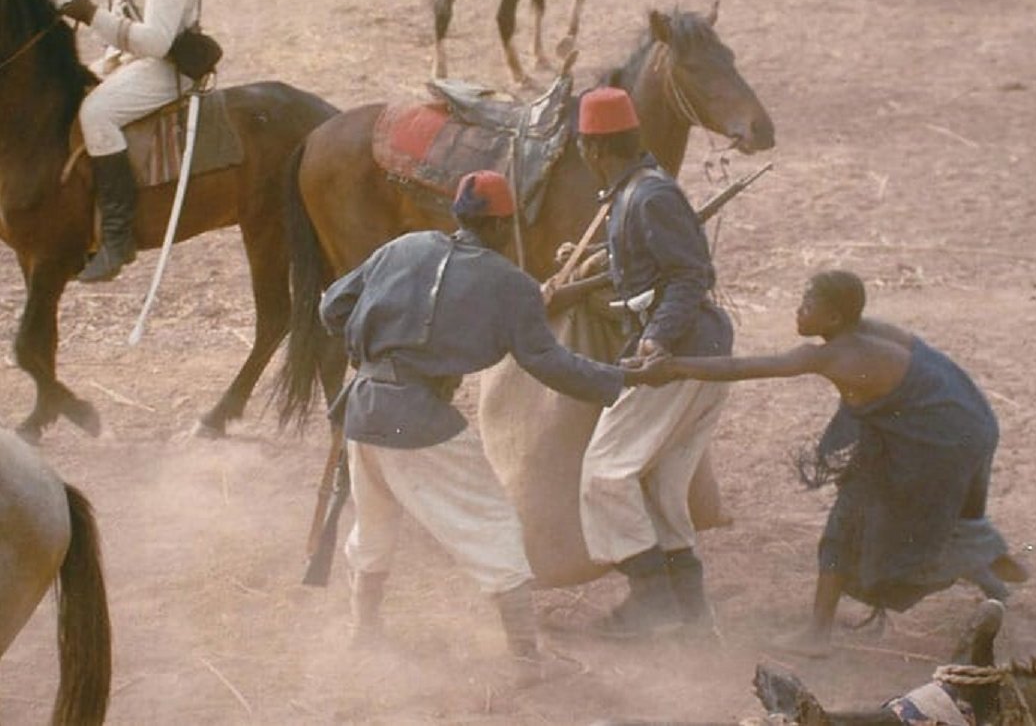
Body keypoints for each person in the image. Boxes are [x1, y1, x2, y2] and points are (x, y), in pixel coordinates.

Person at [317, 170, 669, 678]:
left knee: (373, 528)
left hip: (364, 408)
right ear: (505, 225)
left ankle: (362, 634)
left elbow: (333, 309)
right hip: (418, 418)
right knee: (496, 527)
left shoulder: (405, 247)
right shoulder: (512, 285)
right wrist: (622, 378)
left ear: (458, 215)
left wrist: (377, 341)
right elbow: (550, 364)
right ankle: (527, 661)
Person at [644, 269, 1029, 657]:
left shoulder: (835, 355)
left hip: (939, 440)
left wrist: (674, 366)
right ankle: (988, 567)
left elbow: (747, 367)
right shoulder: (871, 330)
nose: (798, 311)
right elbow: (938, 374)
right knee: (936, 512)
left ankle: (818, 633)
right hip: (970, 422)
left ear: (833, 319)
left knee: (848, 526)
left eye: (807, 305)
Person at [572, 86, 734, 639]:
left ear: (591, 148)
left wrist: (657, 340)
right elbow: (648, 261)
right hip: (698, 350)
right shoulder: (634, 194)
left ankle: (652, 601)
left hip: (682, 353)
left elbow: (692, 274)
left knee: (605, 473)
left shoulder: (649, 196)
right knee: (663, 486)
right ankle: (692, 621)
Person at [57, 0, 202, 283]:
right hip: (127, 56)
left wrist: (92, 16)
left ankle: (118, 238)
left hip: (168, 64)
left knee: (96, 113)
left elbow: (157, 41)